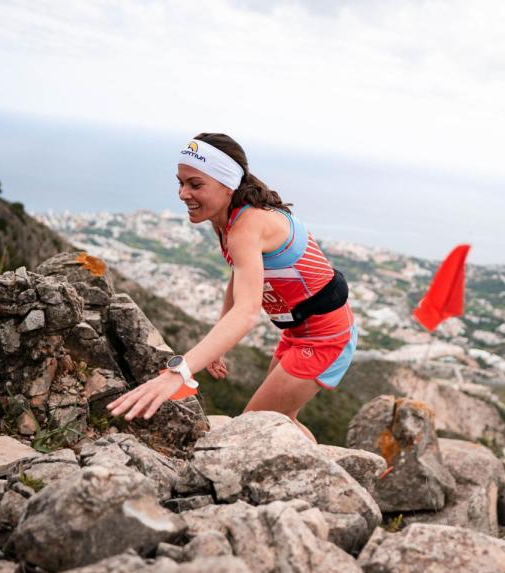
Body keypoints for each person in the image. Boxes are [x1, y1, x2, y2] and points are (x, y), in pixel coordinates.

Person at [106, 133, 357, 444]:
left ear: (228, 185)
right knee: (285, 420)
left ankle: (323, 473)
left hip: (325, 337)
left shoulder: (246, 226)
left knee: (253, 426)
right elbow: (239, 276)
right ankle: (324, 471)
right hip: (299, 331)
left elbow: (248, 311)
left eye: (195, 184)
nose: (183, 194)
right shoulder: (226, 221)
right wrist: (219, 344)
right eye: (181, 183)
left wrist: (179, 373)